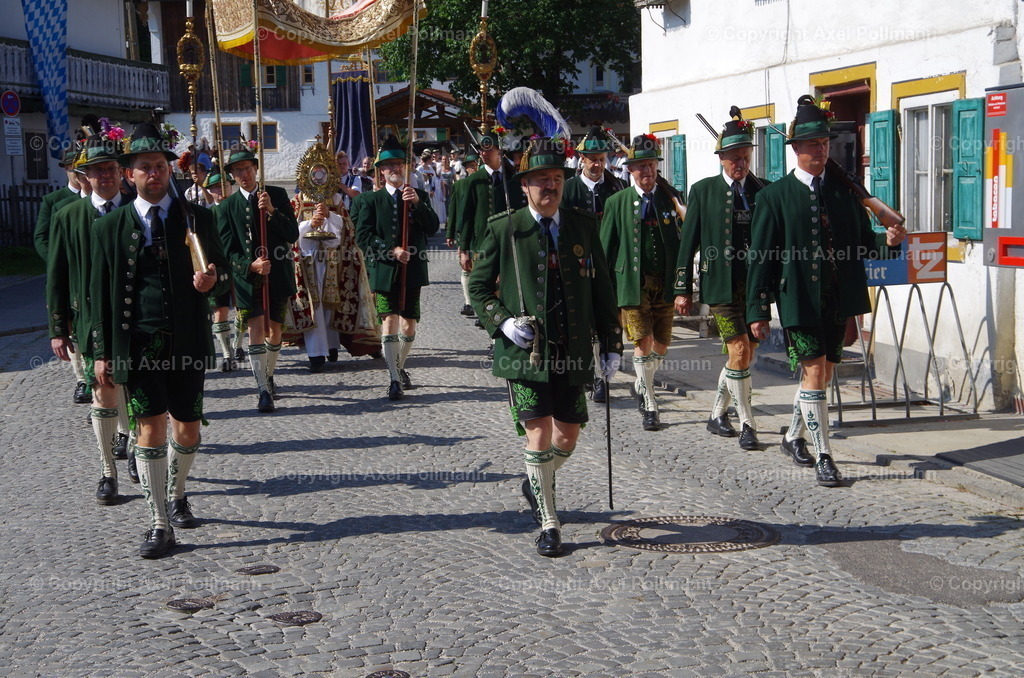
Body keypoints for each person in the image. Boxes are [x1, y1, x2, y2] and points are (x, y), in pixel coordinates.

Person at [469, 137, 622, 557]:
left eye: (556, 178)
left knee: (567, 436)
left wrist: (611, 344)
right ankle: (550, 523)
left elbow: (603, 289)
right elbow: (478, 287)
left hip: (571, 349)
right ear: (525, 185)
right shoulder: (505, 228)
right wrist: (503, 322)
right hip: (525, 354)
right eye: (541, 179)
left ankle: (536, 480)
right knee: (537, 433)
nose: (550, 186)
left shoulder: (582, 225)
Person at [746, 95, 907, 486]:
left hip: (840, 297)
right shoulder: (772, 197)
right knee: (815, 372)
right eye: (812, 144)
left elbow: (864, 241)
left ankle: (792, 437)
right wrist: (758, 310)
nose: (821, 150)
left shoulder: (844, 193)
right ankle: (824, 455)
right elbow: (761, 258)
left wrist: (889, 240)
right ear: (796, 149)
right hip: (798, 300)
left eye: (824, 143)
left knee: (822, 374)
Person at [89, 122, 229, 558]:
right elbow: (100, 295)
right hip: (139, 342)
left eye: (160, 166)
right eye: (145, 167)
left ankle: (177, 491)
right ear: (129, 174)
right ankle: (158, 523)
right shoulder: (110, 227)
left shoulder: (197, 217)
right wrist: (102, 354)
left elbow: (225, 272)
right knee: (149, 427)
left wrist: (212, 281)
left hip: (187, 339)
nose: (154, 173)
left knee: (187, 428)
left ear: (170, 170)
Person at [47, 129, 135, 504]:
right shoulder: (68, 217)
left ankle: (136, 446)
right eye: (97, 170)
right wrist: (58, 328)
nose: (105, 176)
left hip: (136, 320)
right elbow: (56, 274)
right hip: (89, 322)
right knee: (103, 392)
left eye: (111, 168)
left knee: (134, 391)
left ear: (121, 172)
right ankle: (107, 472)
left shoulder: (138, 209)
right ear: (85, 175)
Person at [674, 107, 768, 451]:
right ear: (721, 159)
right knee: (739, 350)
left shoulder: (763, 191)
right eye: (734, 158)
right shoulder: (703, 191)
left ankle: (716, 414)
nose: (740, 164)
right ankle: (748, 424)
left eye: (745, 157)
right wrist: (682, 289)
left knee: (745, 356)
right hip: (719, 288)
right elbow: (688, 243)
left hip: (755, 289)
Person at [600, 135, 683, 431]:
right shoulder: (617, 202)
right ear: (630, 169)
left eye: (651, 165)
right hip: (632, 285)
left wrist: (683, 286)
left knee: (661, 344)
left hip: (665, 284)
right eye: (641, 166)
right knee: (643, 342)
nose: (647, 171)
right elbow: (606, 248)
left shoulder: (670, 198)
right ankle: (650, 404)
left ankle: (640, 383)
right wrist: (605, 291)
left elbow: (684, 242)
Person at [353, 136, 440, 400]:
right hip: (383, 269)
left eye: (398, 164)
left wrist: (417, 205)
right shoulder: (369, 200)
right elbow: (363, 237)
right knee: (389, 320)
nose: (394, 169)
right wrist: (391, 250)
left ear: (404, 167)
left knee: (409, 325)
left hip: (412, 270)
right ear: (381, 171)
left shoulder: (418, 196)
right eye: (389, 165)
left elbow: (432, 227)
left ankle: (399, 366)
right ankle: (393, 377)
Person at [215, 143, 299, 413]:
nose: (244, 174)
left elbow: (292, 234)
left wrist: (273, 212)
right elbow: (227, 250)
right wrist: (249, 265)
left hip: (278, 275)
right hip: (247, 279)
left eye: (248, 168)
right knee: (256, 329)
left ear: (255, 169)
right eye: (238, 170)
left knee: (275, 331)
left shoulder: (276, 195)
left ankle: (269, 374)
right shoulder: (226, 207)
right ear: (232, 175)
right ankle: (262, 388)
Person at [561, 125, 624, 403]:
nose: (597, 164)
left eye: (601, 159)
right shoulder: (569, 189)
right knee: (581, 322)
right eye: (592, 159)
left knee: (606, 321)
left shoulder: (616, 187)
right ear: (582, 159)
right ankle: (583, 369)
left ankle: (602, 377)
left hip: (609, 266)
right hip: (578, 266)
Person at [37, 145, 93, 404]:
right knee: (72, 328)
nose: (76, 173)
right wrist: (59, 263)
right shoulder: (55, 201)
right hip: (67, 275)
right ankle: (82, 379)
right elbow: (41, 238)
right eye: (72, 168)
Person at [457, 130, 526, 329]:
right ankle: (492, 326)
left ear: (500, 152)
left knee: (506, 286)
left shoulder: (512, 178)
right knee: (486, 287)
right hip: (482, 244)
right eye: (481, 150)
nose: (483, 154)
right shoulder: (473, 180)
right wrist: (464, 249)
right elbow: (466, 216)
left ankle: (504, 329)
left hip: (509, 242)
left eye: (489, 150)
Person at [203, 166, 241, 372]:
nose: (221, 190)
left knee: (243, 309)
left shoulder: (239, 209)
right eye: (217, 187)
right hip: (218, 268)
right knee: (220, 311)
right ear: (210, 191)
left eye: (225, 185)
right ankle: (227, 354)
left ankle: (238, 344)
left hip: (241, 265)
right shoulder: (207, 215)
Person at [444, 152, 480, 316]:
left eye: (475, 165)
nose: (473, 168)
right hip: (464, 232)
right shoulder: (459, 185)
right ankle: (468, 302)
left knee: (481, 269)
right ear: (466, 168)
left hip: (481, 232)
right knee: (466, 267)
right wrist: (450, 233)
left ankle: (480, 307)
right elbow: (453, 210)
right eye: (471, 166)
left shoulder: (486, 184)